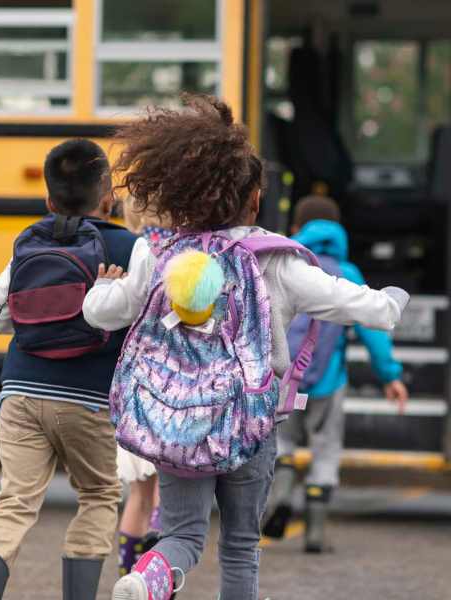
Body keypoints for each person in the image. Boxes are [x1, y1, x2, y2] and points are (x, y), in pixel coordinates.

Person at [82, 95, 409, 600]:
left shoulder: (156, 251)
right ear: (255, 198)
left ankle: (150, 577)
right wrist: (390, 302)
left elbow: (103, 312)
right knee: (239, 545)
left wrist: (102, 289)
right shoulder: (276, 260)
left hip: (176, 421)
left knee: (182, 535)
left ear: (180, 196)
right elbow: (355, 304)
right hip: (248, 426)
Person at [0, 139, 137, 600]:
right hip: (90, 399)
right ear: (109, 196)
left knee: (14, 503)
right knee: (99, 496)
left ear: (48, 199)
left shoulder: (31, 240)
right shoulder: (129, 246)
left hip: (20, 391)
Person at [262, 195, 409, 553]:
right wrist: (389, 375)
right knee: (325, 450)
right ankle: (314, 533)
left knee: (282, 443)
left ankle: (280, 494)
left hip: (284, 379)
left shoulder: (285, 266)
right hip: (329, 380)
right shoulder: (349, 272)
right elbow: (373, 331)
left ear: (296, 229)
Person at [115, 197, 172, 577]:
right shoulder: (179, 253)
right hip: (173, 387)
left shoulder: (130, 254)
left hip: (134, 385)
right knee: (170, 495)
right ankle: (156, 575)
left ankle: (128, 573)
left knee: (139, 491)